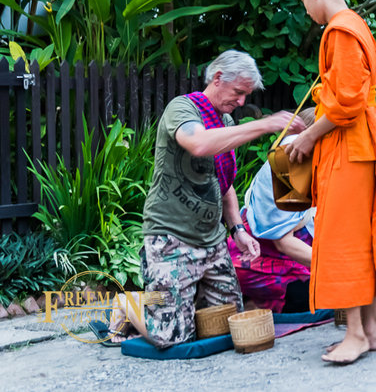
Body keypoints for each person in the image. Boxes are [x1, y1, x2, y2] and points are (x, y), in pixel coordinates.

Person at [106, 50, 305, 347]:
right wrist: (265, 124)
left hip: (211, 242)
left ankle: (176, 307)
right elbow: (199, 144)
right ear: (217, 78)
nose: (240, 102)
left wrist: (237, 229)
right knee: (171, 337)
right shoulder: (183, 109)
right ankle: (128, 304)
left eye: (245, 95)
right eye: (238, 93)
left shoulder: (224, 120)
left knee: (227, 326)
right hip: (170, 236)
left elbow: (223, 184)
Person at [283, 0, 376, 364]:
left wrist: (310, 136)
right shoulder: (354, 26)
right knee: (358, 235)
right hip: (356, 143)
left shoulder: (341, 29)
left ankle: (355, 334)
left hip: (349, 145)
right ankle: (371, 329)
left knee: (342, 238)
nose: (307, 13)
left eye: (304, 3)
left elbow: (347, 100)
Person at [227, 133, 316, 314]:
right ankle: (253, 304)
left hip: (296, 262)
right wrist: (339, 271)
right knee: (322, 296)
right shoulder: (288, 165)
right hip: (259, 266)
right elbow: (283, 242)